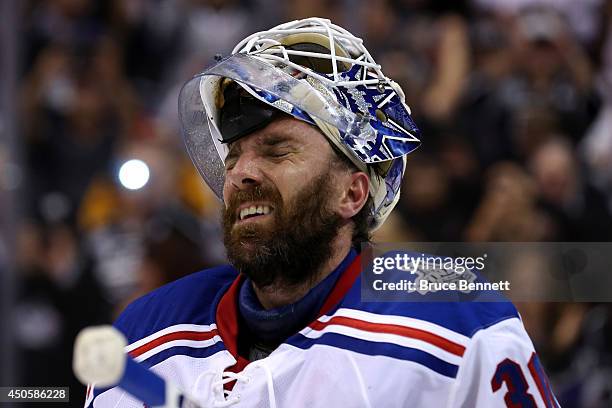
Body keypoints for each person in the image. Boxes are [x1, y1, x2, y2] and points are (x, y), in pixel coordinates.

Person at [86, 18, 558, 407]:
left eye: (276, 151)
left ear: (351, 194)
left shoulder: (455, 327)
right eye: (234, 156)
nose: (241, 174)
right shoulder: (141, 336)